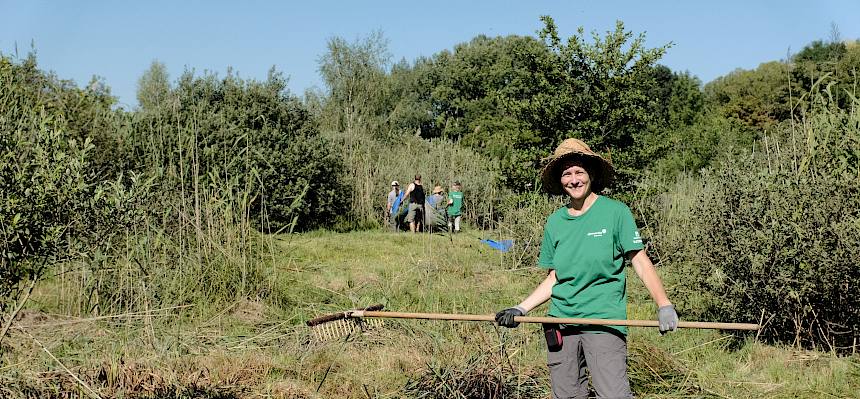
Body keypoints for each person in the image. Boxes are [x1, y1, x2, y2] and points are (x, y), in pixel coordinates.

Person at [495, 138, 678, 399]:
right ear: (560, 181)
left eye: (579, 171)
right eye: (566, 174)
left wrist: (663, 304)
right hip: (560, 323)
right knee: (567, 395)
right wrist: (521, 308)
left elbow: (639, 260)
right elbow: (555, 278)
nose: (574, 179)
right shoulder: (555, 222)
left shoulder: (615, 212)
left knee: (613, 395)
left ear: (591, 174)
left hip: (603, 322)